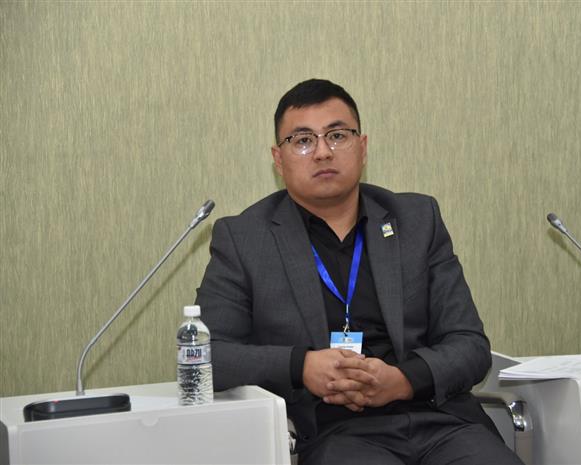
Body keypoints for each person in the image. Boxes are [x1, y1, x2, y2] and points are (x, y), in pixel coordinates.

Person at [195, 79, 522, 465]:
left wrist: (401, 381)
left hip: (439, 422)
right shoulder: (245, 238)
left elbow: (469, 345)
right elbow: (208, 356)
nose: (322, 152)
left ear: (362, 147)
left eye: (337, 135)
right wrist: (302, 366)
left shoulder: (417, 220)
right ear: (278, 160)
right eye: (302, 140)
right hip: (337, 435)